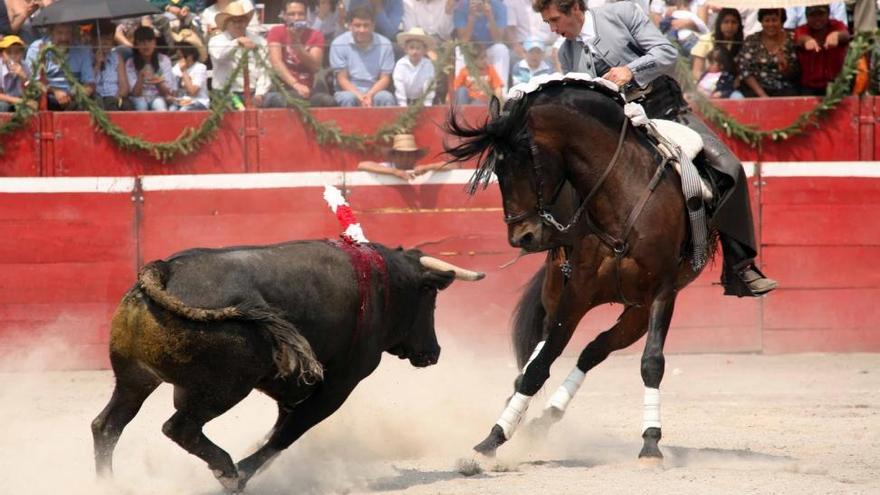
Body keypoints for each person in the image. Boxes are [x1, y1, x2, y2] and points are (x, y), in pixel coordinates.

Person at [535, 0, 776, 296]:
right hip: (620, 128)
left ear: (575, 8)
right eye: (548, 23)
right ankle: (568, 258)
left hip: (667, 111)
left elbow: (667, 53)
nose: (553, 28)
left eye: (555, 19)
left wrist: (630, 71)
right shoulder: (566, 51)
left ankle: (740, 267)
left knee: (729, 168)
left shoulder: (622, 14)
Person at [265, 0, 332, 107]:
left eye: (301, 14)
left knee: (328, 101)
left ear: (306, 16)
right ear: (284, 15)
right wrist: (296, 84)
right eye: (292, 14)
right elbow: (276, 62)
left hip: (308, 89)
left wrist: (297, 44)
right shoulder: (276, 31)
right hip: (283, 88)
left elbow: (315, 66)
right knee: (293, 99)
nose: (296, 18)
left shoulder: (315, 35)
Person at [329, 5, 396, 107]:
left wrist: (369, 95)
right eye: (357, 25)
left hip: (375, 90)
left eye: (366, 25)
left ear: (373, 26)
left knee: (386, 97)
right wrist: (360, 96)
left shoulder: (385, 44)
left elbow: (385, 78)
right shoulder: (338, 43)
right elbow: (342, 79)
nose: (362, 30)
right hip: (348, 91)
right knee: (348, 98)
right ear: (350, 26)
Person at [208, 1, 272, 107]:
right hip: (224, 93)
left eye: (241, 21)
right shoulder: (216, 41)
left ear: (246, 23)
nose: (238, 25)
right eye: (234, 21)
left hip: (253, 92)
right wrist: (237, 42)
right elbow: (219, 55)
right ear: (227, 24)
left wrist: (260, 93)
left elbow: (265, 70)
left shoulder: (259, 41)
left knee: (277, 100)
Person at [26, 22, 95, 111]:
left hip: (74, 96)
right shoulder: (37, 48)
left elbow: (89, 82)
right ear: (51, 33)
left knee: (94, 101)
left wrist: (82, 93)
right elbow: (31, 81)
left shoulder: (81, 49)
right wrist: (55, 91)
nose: (64, 38)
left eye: (67, 33)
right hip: (48, 93)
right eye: (59, 33)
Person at [736, 8, 798, 98]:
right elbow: (745, 71)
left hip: (784, 89)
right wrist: (763, 95)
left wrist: (785, 68)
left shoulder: (791, 39)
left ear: (782, 21)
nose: (771, 24)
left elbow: (795, 73)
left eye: (774, 20)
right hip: (756, 90)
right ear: (761, 22)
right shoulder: (752, 40)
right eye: (767, 20)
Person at [453, 0, 510, 93]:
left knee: (501, 49)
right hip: (472, 49)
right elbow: (463, 40)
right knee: (460, 49)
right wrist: (471, 17)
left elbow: (498, 39)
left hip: (490, 48)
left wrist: (490, 16)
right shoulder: (461, 7)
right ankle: (460, 94)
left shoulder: (500, 7)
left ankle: (501, 94)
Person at [793, 4, 849, 97]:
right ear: (807, 17)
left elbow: (845, 34)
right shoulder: (802, 29)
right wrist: (807, 40)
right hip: (809, 87)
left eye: (821, 14)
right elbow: (800, 38)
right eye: (813, 15)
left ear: (828, 14)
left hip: (837, 84)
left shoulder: (836, 25)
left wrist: (836, 35)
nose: (817, 19)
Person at [357, 133, 457, 180]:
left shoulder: (418, 169)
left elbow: (453, 166)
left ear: (415, 157)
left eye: (409, 155)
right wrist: (394, 172)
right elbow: (362, 165)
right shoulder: (387, 167)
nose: (405, 158)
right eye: (401, 154)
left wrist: (428, 167)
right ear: (393, 156)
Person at [121, 26, 174, 111]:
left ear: (155, 43)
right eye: (142, 42)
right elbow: (135, 94)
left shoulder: (164, 60)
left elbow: (168, 93)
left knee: (160, 105)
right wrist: (140, 78)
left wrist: (158, 82)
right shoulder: (130, 63)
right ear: (136, 45)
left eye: (149, 41)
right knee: (141, 105)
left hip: (157, 96)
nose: (146, 45)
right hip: (138, 97)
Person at [690, 8, 742, 83]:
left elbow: (739, 72)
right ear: (719, 23)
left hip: (729, 85)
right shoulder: (706, 40)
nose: (730, 26)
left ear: (739, 25)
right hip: (705, 84)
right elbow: (697, 71)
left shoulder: (740, 42)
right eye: (726, 22)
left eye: (734, 22)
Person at [93, 23, 132, 111]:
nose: (106, 42)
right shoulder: (87, 56)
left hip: (114, 98)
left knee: (122, 105)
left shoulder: (117, 57)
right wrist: (97, 64)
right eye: (103, 39)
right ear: (94, 40)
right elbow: (88, 84)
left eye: (109, 39)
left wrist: (117, 98)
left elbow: (124, 87)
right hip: (96, 98)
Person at [393, 27, 436, 106]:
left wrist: (427, 104)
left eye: (418, 48)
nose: (415, 52)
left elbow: (429, 84)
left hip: (421, 101)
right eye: (411, 48)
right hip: (403, 100)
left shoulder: (428, 65)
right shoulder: (400, 65)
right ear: (406, 49)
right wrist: (402, 104)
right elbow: (399, 85)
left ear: (424, 50)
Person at [171, 41, 209, 110]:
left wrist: (184, 71)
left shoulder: (200, 67)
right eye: (178, 57)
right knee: (171, 110)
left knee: (184, 110)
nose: (180, 60)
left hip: (198, 101)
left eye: (182, 56)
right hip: (181, 100)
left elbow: (193, 92)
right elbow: (173, 91)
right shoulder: (176, 68)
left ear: (190, 56)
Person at [0, 34, 28, 112]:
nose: (13, 56)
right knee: (3, 106)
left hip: (19, 100)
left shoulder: (25, 66)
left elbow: (31, 90)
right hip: (5, 101)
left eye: (17, 52)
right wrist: (17, 100)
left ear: (22, 54)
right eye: (9, 52)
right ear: (2, 55)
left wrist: (24, 78)